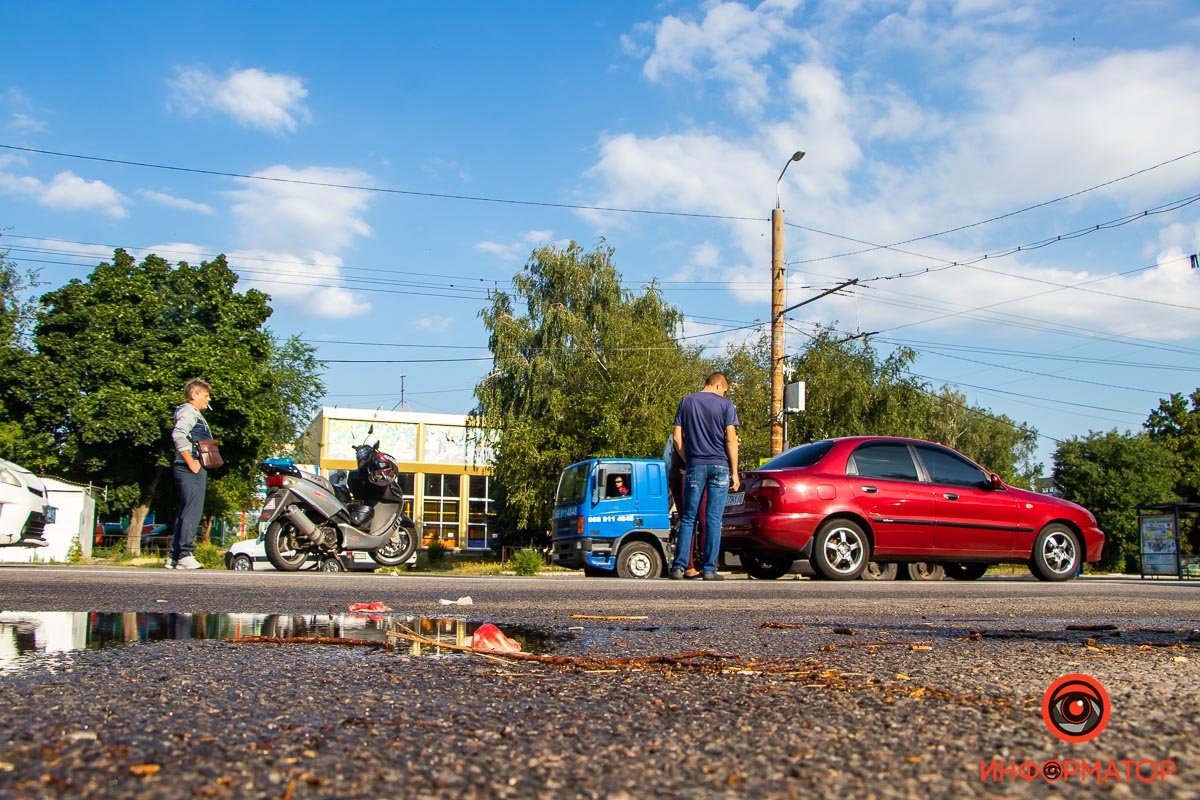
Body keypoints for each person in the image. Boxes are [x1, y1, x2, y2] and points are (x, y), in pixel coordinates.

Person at [669, 372, 739, 581]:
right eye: (724, 390)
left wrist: (689, 459)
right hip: (720, 466)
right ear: (718, 385)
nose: (724, 394)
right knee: (713, 519)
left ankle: (679, 567)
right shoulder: (726, 405)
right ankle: (709, 569)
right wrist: (735, 472)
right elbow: (731, 440)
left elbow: (676, 438)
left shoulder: (687, 401)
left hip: (695, 465)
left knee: (688, 517)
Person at [167, 379, 214, 570]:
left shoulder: (189, 412)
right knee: (193, 511)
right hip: (190, 467)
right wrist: (191, 462)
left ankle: (175, 556)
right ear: (194, 395)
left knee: (185, 511)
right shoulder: (189, 411)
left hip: (187, 467)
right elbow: (178, 435)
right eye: (206, 395)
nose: (208, 399)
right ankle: (185, 554)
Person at [664, 434, 706, 579]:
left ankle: (696, 564)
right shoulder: (689, 424)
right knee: (692, 519)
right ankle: (690, 565)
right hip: (685, 471)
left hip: (687, 471)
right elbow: (678, 439)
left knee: (696, 520)